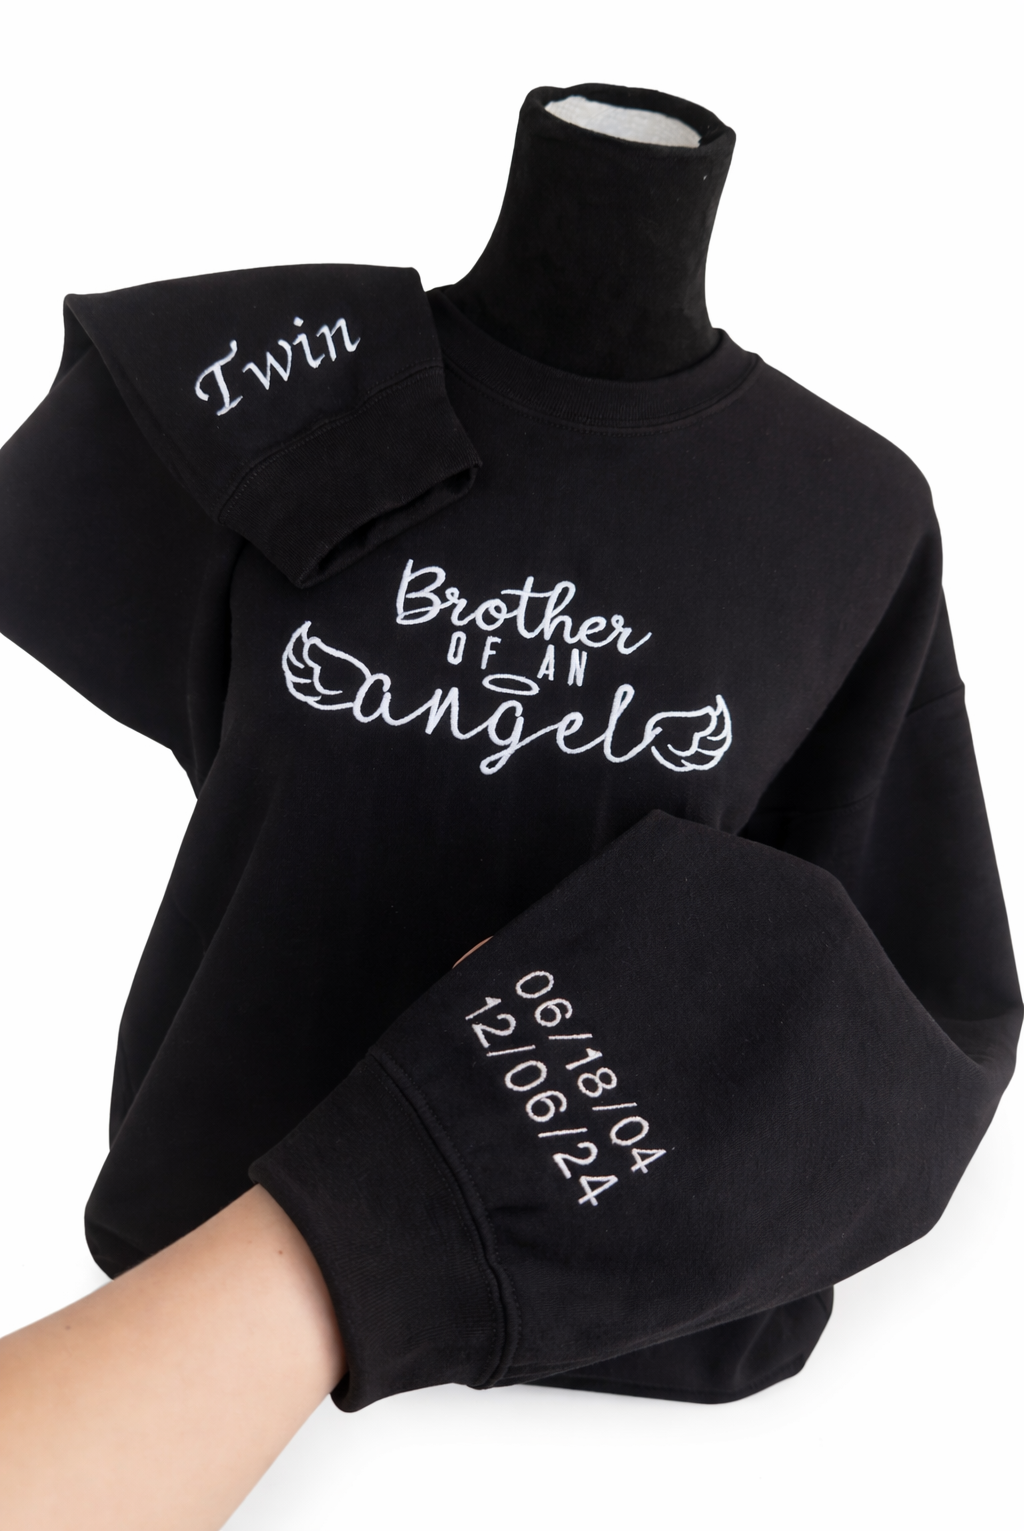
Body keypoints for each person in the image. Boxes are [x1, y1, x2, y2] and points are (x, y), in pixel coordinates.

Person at [0, 84, 1018, 1527]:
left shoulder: (854, 512)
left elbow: (862, 957)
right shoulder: (303, 400)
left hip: (610, 1359)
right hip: (194, 1242)